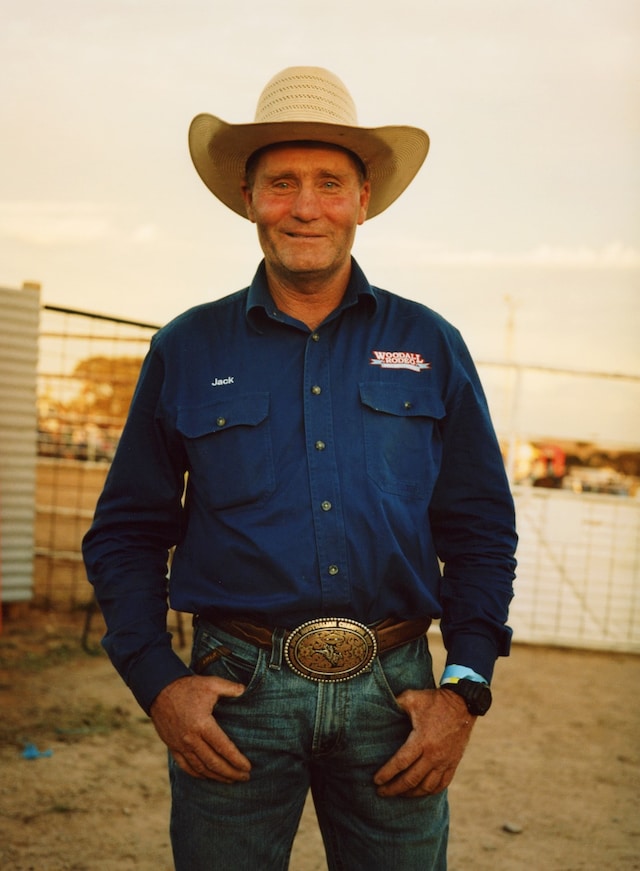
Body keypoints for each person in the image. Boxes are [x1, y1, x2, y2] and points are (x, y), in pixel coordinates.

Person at [83, 66, 517, 870]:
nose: (305, 206)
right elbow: (127, 530)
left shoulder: (431, 344)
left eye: (329, 183)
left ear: (363, 198)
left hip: (397, 695)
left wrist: (463, 687)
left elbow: (482, 526)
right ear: (249, 197)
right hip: (235, 696)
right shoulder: (186, 347)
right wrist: (156, 680)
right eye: (281, 183)